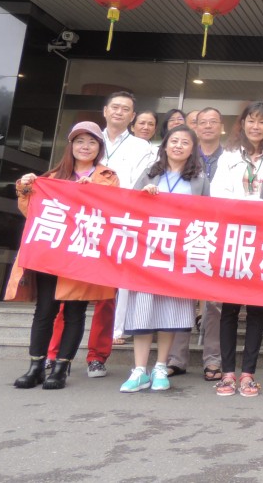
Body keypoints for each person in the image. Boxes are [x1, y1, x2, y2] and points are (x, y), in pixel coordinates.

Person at [8, 122, 118, 390]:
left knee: (75, 311)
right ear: (70, 146)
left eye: (92, 142)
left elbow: (113, 210)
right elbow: (32, 211)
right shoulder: (53, 176)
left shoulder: (108, 177)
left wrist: (92, 190)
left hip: (81, 254)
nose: (85, 147)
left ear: (100, 148)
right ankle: (36, 366)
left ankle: (60, 368)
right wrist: (25, 188)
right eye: (79, 141)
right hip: (52, 254)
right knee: (44, 310)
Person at [210, 101, 263, 397]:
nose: (256, 126)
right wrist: (248, 207)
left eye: (262, 122)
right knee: (229, 309)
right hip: (234, 238)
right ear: (242, 123)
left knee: (257, 309)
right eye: (251, 120)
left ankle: (248, 374)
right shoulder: (229, 155)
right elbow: (218, 194)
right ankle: (227, 374)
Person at [122, 125, 210, 392]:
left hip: (178, 254)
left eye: (185, 142)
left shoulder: (199, 180)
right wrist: (143, 196)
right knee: (142, 309)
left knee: (170, 310)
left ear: (192, 149)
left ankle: (161, 366)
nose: (178, 146)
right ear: (165, 145)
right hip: (147, 252)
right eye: (174, 141)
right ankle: (139, 370)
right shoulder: (150, 173)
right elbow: (128, 206)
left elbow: (206, 216)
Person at [96, 91, 155, 372]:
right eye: (115, 107)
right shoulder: (88, 139)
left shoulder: (143, 148)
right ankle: (55, 355)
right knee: (75, 287)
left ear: (132, 117)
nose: (119, 112)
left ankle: (101, 350)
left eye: (125, 109)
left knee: (115, 284)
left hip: (123, 218)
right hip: (87, 217)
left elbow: (140, 183)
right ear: (105, 110)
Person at [169, 106, 226, 381]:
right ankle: (176, 358)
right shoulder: (184, 157)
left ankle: (212, 359)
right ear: (195, 126)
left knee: (215, 301)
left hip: (221, 232)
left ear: (221, 127)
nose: (208, 126)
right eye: (202, 122)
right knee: (183, 296)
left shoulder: (231, 158)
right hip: (186, 232)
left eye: (213, 122)